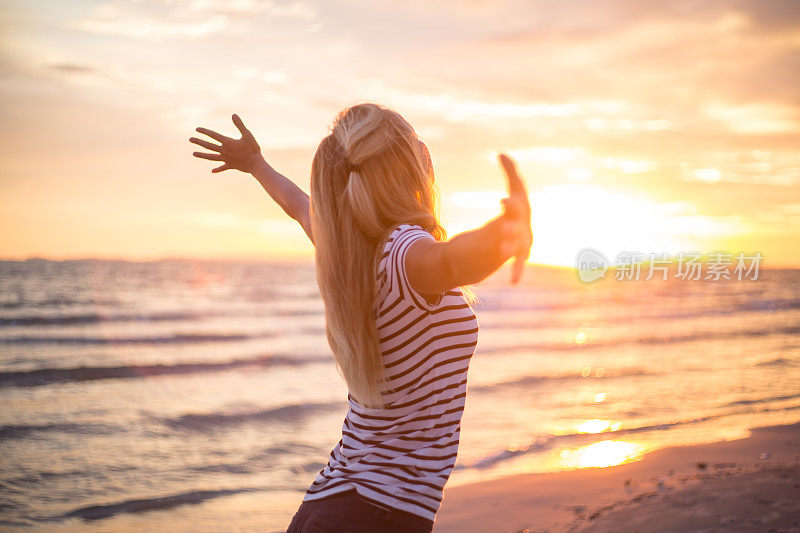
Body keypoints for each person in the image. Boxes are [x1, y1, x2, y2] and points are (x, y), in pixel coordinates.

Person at [190, 103, 532, 532]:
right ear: (406, 167)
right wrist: (508, 232)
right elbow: (452, 263)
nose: (425, 147)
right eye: (414, 140)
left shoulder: (349, 251)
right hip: (375, 513)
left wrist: (257, 164)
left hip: (339, 504)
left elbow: (299, 205)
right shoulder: (403, 250)